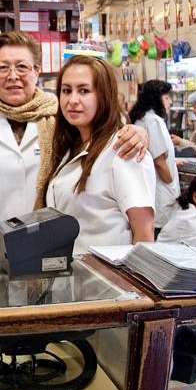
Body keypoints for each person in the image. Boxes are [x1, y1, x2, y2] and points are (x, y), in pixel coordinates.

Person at [0, 32, 148, 261]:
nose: (13, 75)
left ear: (36, 71)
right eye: (2, 68)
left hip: (50, 249)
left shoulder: (60, 117)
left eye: (22, 67)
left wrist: (139, 132)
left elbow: (107, 129)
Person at [39, 55, 156, 251]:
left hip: (110, 277)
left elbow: (144, 234)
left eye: (84, 91)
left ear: (103, 95)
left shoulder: (124, 149)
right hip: (73, 274)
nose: (72, 100)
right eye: (66, 91)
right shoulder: (71, 146)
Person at [130, 80, 178, 228]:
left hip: (149, 192)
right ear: (156, 99)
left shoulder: (141, 118)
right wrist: (170, 183)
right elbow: (159, 161)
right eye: (166, 97)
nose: (169, 102)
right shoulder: (153, 121)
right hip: (161, 193)